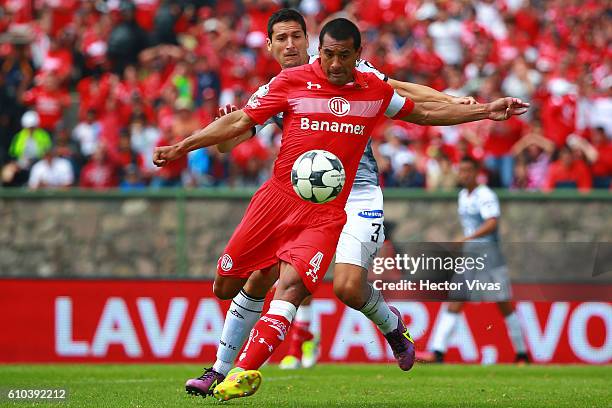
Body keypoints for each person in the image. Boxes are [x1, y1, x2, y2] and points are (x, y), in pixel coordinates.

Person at [153, 17, 528, 401]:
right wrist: (188, 144)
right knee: (237, 283)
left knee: (337, 287)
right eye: (281, 39)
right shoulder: (282, 86)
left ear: (310, 41)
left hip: (354, 193)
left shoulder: (364, 78)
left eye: (296, 36)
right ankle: (227, 366)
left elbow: (412, 103)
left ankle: (236, 371)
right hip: (292, 196)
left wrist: (468, 105)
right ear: (270, 46)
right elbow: (240, 130)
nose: (291, 45)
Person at [419, 157, 529, 364]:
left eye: (468, 170)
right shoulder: (463, 195)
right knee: (456, 300)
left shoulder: (485, 195)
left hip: (489, 255)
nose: (464, 174)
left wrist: (467, 238)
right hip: (472, 256)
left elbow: (492, 223)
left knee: (504, 303)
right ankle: (437, 351)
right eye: (461, 171)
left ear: (477, 172)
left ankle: (522, 354)